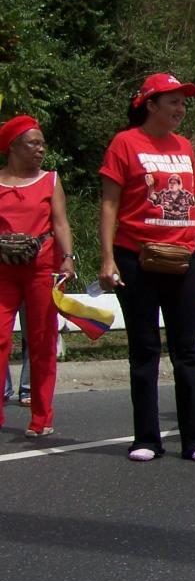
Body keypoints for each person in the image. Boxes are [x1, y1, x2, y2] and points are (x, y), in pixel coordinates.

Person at [98, 74, 195, 462]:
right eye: (173, 102)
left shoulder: (184, 147)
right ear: (150, 104)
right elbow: (110, 205)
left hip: (183, 257)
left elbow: (191, 204)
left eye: (184, 102)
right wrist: (107, 257)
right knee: (144, 349)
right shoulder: (124, 143)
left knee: (188, 350)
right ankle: (146, 439)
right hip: (137, 256)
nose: (180, 109)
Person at [0, 115, 76, 438]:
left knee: (42, 341)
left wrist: (68, 258)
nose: (41, 149)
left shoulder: (50, 180)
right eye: (34, 143)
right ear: (13, 146)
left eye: (43, 143)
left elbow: (60, 222)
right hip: (3, 270)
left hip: (41, 267)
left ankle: (41, 417)